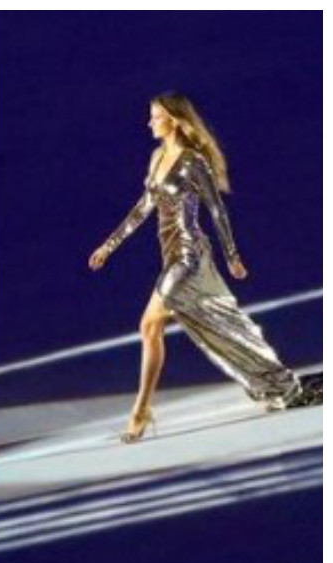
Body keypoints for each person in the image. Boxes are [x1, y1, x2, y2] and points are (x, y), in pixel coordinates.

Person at [88, 92, 313, 442]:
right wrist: (109, 245)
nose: (150, 122)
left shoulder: (193, 162)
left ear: (175, 121)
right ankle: (274, 380)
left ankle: (141, 410)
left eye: (156, 116)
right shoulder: (157, 158)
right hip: (171, 256)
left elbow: (216, 209)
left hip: (189, 257)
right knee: (202, 326)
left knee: (149, 324)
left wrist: (232, 255)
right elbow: (143, 207)